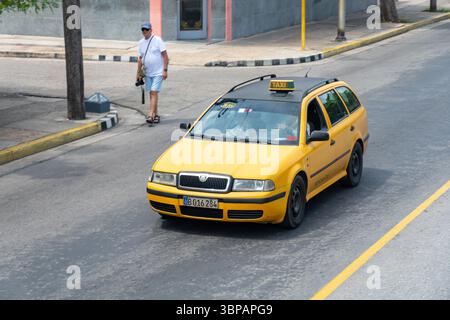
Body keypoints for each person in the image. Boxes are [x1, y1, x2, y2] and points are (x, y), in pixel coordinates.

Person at [136, 22, 169, 124]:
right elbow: (140, 59)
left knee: (154, 92)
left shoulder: (158, 40)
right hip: (147, 73)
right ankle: (156, 115)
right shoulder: (141, 42)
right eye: (143, 30)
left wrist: (165, 70)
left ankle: (150, 115)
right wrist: (138, 73)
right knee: (151, 93)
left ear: (151, 30)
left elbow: (165, 56)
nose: (144, 32)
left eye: (146, 30)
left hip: (158, 72)